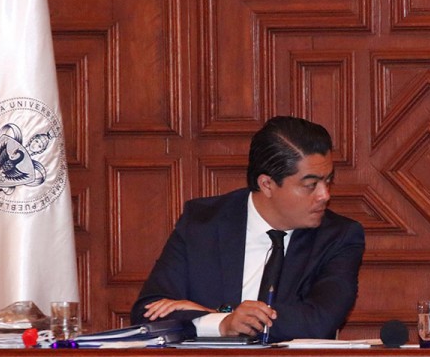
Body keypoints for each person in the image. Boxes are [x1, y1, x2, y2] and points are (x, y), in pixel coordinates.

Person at [130, 116, 365, 343]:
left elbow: (319, 322)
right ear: (267, 184)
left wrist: (224, 318)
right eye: (311, 185)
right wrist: (223, 323)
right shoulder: (203, 223)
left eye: (328, 181)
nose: (324, 195)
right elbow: (148, 314)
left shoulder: (339, 237)